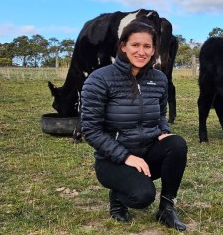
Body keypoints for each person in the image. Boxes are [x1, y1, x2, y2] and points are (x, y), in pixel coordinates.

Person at [80, 20, 188, 231]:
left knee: (177, 144)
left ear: (154, 49)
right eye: (135, 45)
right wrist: (125, 157)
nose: (141, 51)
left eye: (147, 46)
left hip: (146, 152)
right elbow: (91, 130)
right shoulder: (99, 79)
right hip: (113, 160)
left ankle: (166, 209)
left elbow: (161, 114)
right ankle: (118, 196)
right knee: (142, 197)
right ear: (123, 46)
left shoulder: (159, 79)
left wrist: (164, 131)